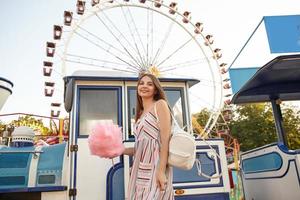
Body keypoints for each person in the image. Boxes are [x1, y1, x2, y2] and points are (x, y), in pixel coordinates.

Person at [123, 73, 174, 199]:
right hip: (140, 168)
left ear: (155, 89)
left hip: (156, 166)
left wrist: (161, 171)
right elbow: (141, 147)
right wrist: (119, 150)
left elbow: (165, 140)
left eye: (150, 84)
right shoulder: (140, 114)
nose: (144, 86)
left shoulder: (160, 105)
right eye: (141, 83)